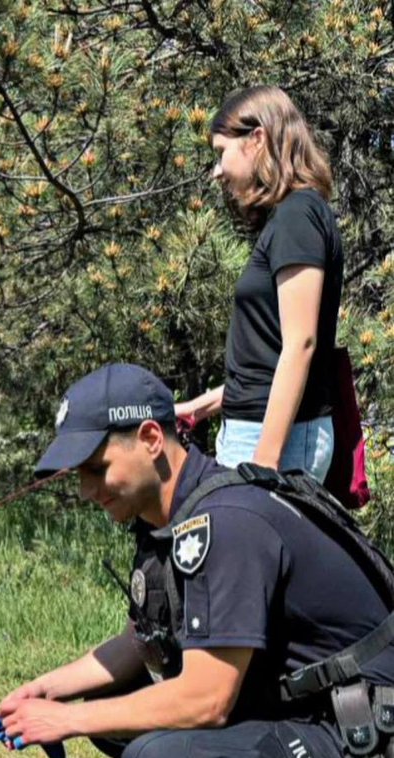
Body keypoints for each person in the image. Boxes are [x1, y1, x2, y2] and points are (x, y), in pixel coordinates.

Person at [0, 362, 394, 758]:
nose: (86, 491)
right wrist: (50, 690)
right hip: (338, 713)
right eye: (78, 476)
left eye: (97, 469)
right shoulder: (181, 510)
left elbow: (206, 700)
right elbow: (146, 639)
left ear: (152, 439)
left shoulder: (225, 524)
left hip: (374, 739)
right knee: (122, 719)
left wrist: (66, 721)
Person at [174, 86, 343, 481]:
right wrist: (202, 407)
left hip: (271, 443)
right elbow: (269, 358)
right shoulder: (291, 216)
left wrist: (265, 459)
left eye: (221, 153)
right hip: (260, 433)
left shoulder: (297, 216)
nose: (217, 171)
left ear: (257, 140)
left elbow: (300, 344)